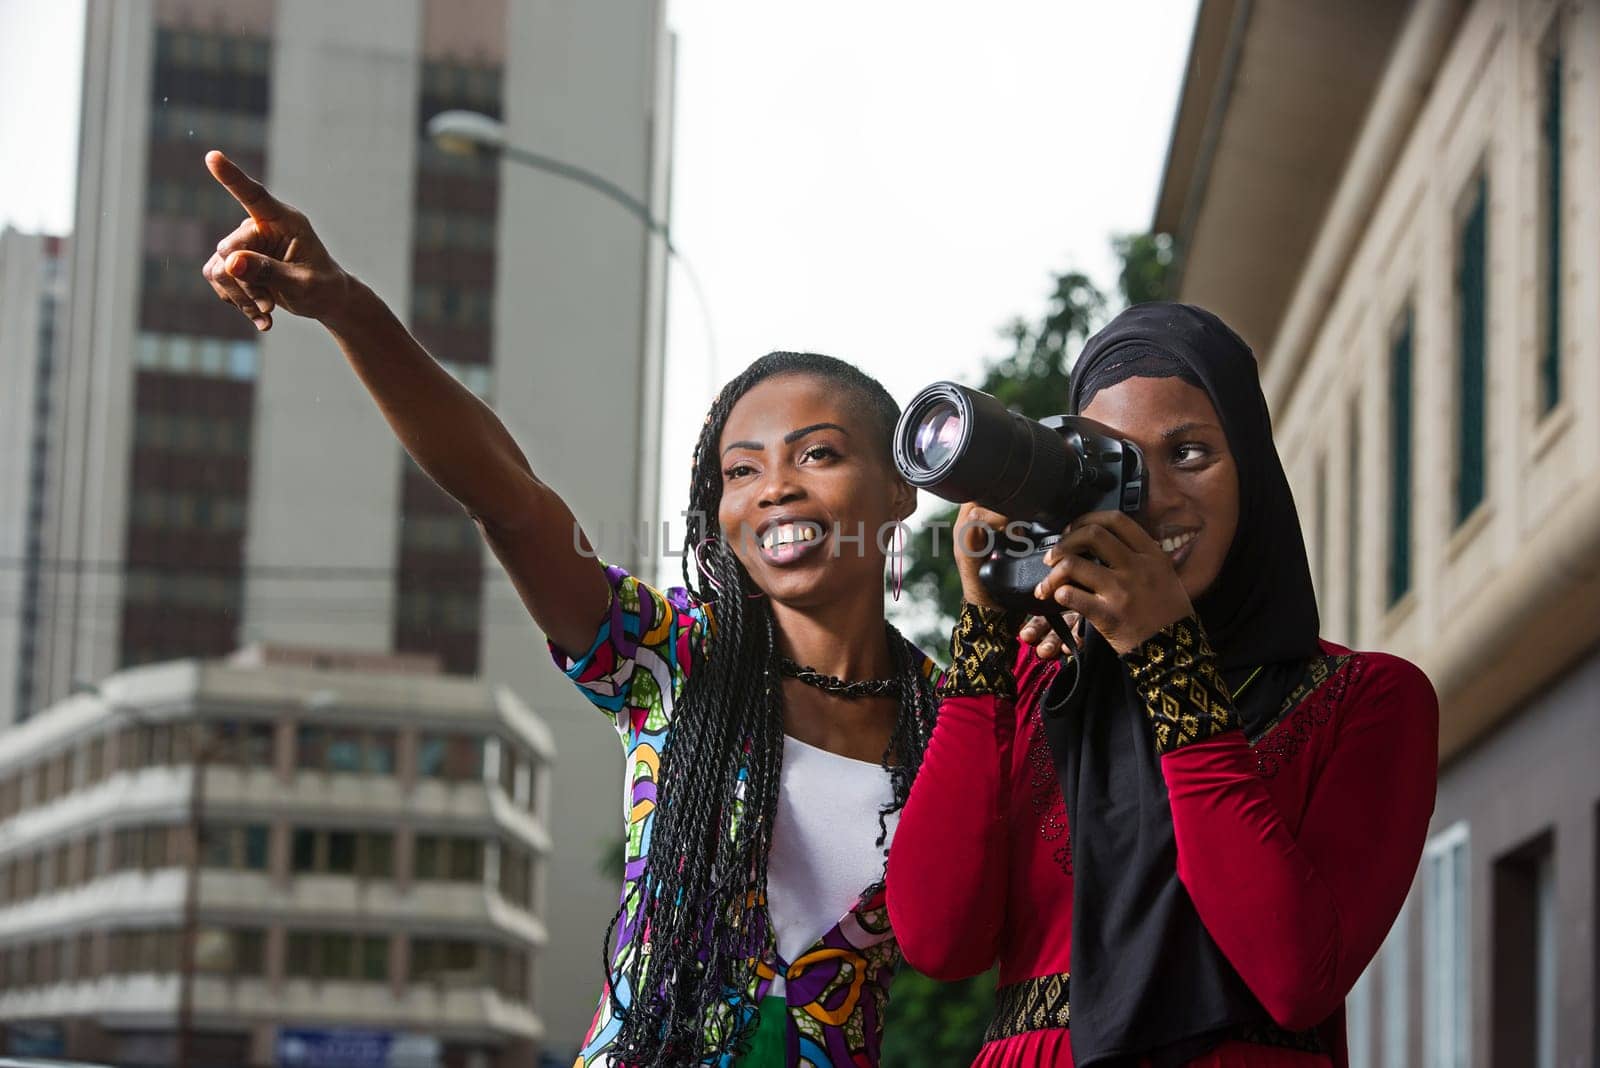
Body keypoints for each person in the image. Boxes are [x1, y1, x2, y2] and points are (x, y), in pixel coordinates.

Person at [198, 150, 943, 1067]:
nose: (774, 490)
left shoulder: (957, 716)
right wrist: (348, 307)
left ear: (901, 488)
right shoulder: (672, 658)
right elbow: (509, 500)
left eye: (818, 455)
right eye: (740, 470)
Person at [885, 302, 1438, 1067]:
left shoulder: (1368, 698)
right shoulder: (1036, 685)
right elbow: (938, 938)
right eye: (1116, 468)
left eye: (1189, 453)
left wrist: (1168, 659)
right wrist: (983, 636)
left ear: (1253, 469)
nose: (1153, 499)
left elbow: (1294, 977)